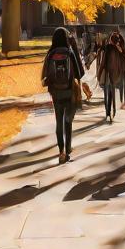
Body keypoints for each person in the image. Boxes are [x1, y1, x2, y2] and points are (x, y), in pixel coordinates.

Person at [42, 26, 84, 162]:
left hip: (56, 92)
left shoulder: (51, 53)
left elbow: (44, 76)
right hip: (69, 91)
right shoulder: (69, 52)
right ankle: (68, 148)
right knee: (68, 122)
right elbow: (79, 73)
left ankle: (61, 152)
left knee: (58, 121)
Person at [96, 30, 125, 121]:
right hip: (117, 77)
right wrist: (122, 51)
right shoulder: (120, 49)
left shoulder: (108, 48)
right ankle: (112, 111)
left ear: (111, 40)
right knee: (111, 94)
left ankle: (108, 112)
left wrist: (99, 74)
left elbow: (103, 63)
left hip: (108, 76)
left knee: (107, 94)